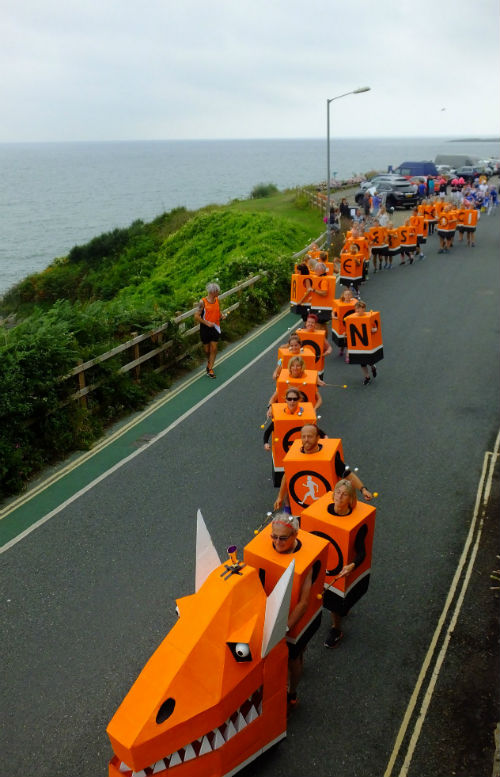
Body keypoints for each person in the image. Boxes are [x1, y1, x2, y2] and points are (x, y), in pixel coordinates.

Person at [269, 513, 313, 710]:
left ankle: (292, 693)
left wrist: (284, 627)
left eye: (283, 538)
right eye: (274, 537)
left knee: (293, 658)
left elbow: (304, 603)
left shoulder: (305, 561)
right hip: (272, 615)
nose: (277, 542)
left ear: (295, 534)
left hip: (294, 622)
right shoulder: (271, 547)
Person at [273, 424, 373, 511]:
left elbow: (348, 475)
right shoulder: (294, 456)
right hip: (302, 509)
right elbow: (287, 476)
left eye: (310, 436)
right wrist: (280, 497)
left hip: (325, 507)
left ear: (318, 438)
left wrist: (363, 489)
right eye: (303, 437)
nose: (306, 440)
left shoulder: (331, 459)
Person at [323, 479, 366, 648]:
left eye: (345, 494)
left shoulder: (356, 523)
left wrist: (352, 565)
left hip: (343, 567)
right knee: (332, 599)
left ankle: (336, 629)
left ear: (351, 499)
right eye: (338, 493)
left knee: (336, 600)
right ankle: (340, 612)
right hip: (327, 563)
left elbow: (362, 551)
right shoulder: (324, 514)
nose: (340, 497)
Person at [194, 282, 226, 378]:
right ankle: (209, 362)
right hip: (205, 329)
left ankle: (210, 368)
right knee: (207, 350)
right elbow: (196, 316)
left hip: (215, 327)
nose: (219, 292)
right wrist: (207, 323)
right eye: (217, 291)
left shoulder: (217, 300)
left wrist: (221, 315)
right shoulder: (202, 302)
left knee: (214, 348)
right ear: (213, 292)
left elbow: (217, 310)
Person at [350, 300, 379, 386]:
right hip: (359, 344)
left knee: (369, 361)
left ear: (364, 309)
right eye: (356, 309)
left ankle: (373, 367)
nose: (357, 311)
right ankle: (367, 377)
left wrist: (373, 330)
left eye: (359, 309)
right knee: (362, 362)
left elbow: (375, 328)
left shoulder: (368, 317)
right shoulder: (353, 318)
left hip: (368, 344)